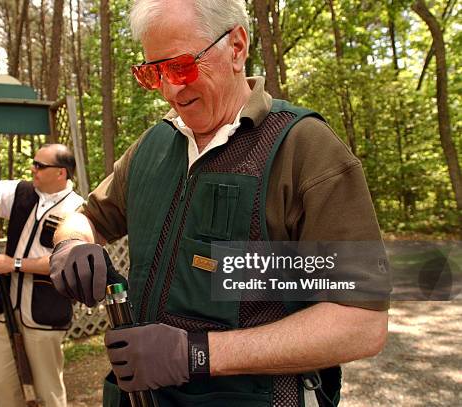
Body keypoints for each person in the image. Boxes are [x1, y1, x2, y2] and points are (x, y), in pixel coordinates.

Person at [50, 1, 391, 406]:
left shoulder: (304, 148)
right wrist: (70, 243)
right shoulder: (153, 147)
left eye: (181, 66)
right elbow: (86, 216)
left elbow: (361, 322)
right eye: (152, 72)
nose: (169, 88)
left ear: (236, 46)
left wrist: (196, 354)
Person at [0, 144, 83, 407]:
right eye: (34, 163)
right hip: (3, 308)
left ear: (61, 173)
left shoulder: (78, 209)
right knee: (4, 390)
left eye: (40, 166)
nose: (33, 169)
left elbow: (65, 261)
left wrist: (15, 264)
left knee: (48, 392)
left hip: (44, 313)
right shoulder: (22, 191)